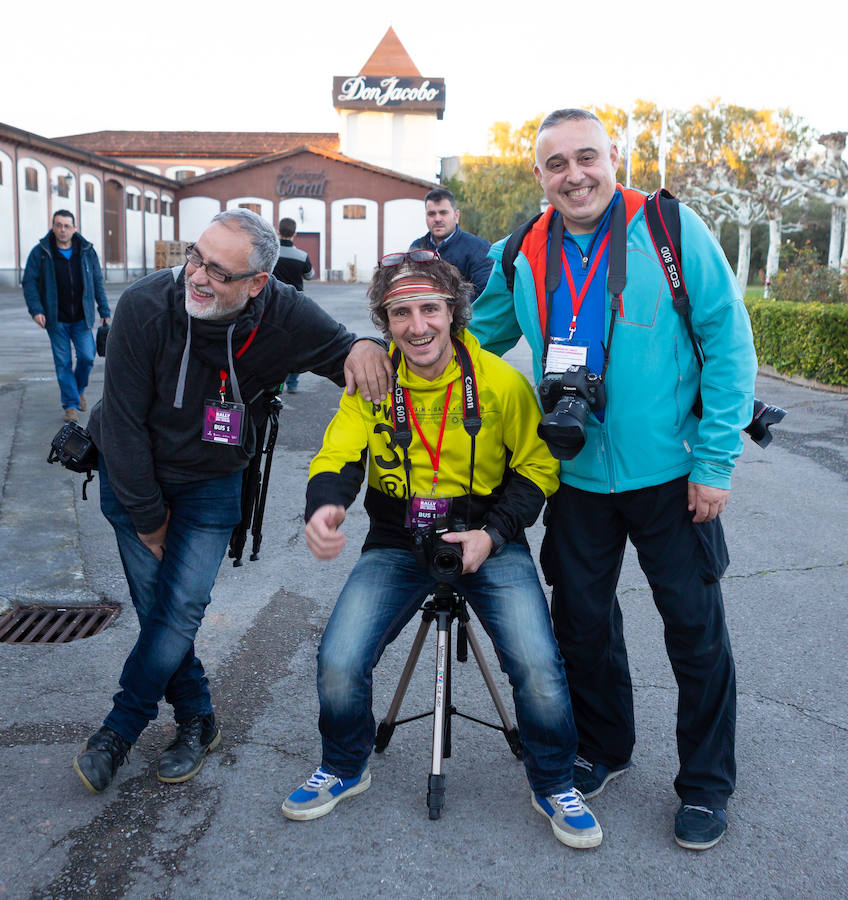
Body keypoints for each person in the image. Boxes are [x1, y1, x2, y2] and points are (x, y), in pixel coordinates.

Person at [469, 109, 758, 851]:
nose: (575, 175)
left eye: (587, 157)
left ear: (613, 158)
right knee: (583, 626)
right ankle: (606, 747)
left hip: (672, 478)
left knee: (695, 635)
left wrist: (716, 462)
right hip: (576, 479)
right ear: (539, 176)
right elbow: (471, 339)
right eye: (557, 164)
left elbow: (729, 344)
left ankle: (704, 783)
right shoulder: (520, 253)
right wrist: (393, 350)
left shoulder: (668, 229)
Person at [282, 251, 603, 850]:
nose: (417, 325)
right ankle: (344, 766)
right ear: (384, 320)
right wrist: (325, 506)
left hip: (488, 538)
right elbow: (338, 454)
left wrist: (493, 534)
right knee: (339, 658)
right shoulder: (374, 381)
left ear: (454, 312)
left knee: (536, 664)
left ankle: (555, 781)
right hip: (397, 540)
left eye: (430, 308)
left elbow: (538, 468)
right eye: (400, 312)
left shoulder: (503, 383)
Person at [72, 209, 393, 795]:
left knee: (179, 611)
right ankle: (198, 717)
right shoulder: (146, 307)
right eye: (195, 257)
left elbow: (342, 352)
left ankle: (119, 729)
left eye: (218, 271)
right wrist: (148, 520)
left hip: (213, 484)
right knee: (161, 616)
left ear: (257, 285)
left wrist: (370, 345)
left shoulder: (283, 313)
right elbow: (119, 425)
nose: (196, 275)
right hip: (132, 477)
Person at [22, 210, 111, 422]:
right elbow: (29, 283)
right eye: (59, 225)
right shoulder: (41, 252)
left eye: (67, 226)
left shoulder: (87, 251)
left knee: (87, 357)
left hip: (81, 318)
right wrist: (36, 310)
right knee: (62, 362)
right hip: (55, 319)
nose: (63, 230)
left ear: (74, 228)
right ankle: (70, 405)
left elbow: (97, 282)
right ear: (53, 227)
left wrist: (104, 311)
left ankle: (78, 389)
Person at [409, 188, 493, 299]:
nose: (437, 219)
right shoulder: (417, 248)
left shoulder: (479, 248)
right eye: (431, 214)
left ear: (456, 216)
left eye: (443, 213)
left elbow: (484, 296)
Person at [272, 217, 316, 393]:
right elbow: (310, 275)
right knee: (295, 344)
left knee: (272, 343)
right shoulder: (302, 256)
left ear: (278, 232)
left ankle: (275, 383)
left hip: (272, 303)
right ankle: (292, 384)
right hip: (295, 305)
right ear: (295, 234)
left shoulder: (271, 253)